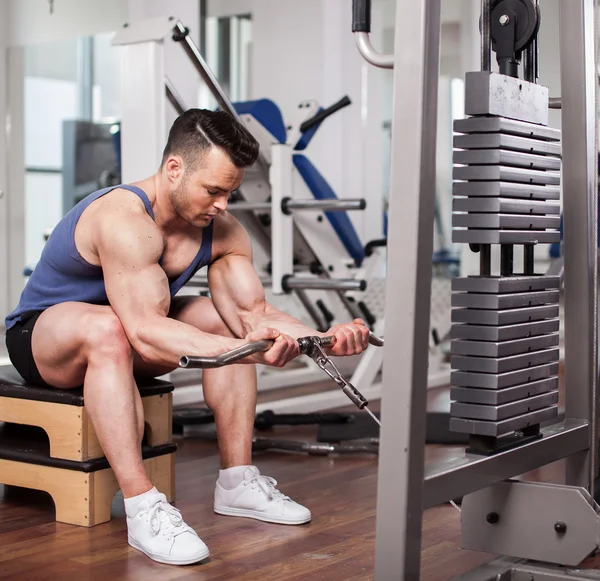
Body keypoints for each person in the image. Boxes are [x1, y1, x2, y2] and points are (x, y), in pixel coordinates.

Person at [4, 108, 370, 566]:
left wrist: (325, 338)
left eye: (230, 192)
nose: (222, 204)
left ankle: (237, 481)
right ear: (174, 168)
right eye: (213, 190)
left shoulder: (222, 230)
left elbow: (251, 315)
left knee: (220, 319)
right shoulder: (123, 218)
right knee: (108, 328)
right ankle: (143, 508)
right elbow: (143, 331)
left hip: (129, 333)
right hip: (44, 338)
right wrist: (246, 352)